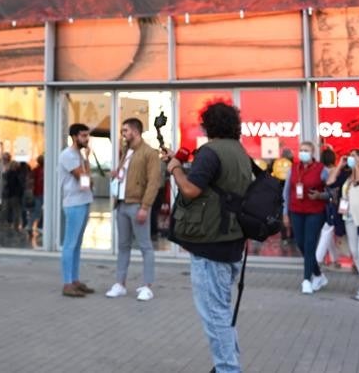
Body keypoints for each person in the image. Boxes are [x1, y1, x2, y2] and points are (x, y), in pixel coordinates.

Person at [164, 101, 253, 373]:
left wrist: (175, 169)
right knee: (222, 312)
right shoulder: (239, 151)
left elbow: (191, 190)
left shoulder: (211, 152)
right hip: (232, 240)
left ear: (209, 125)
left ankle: (228, 368)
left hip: (210, 245)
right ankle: (228, 364)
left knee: (214, 316)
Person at [105, 118, 162, 302]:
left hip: (137, 205)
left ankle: (147, 286)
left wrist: (145, 207)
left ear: (136, 131)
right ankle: (120, 284)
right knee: (122, 246)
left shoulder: (150, 153)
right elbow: (126, 175)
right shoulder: (126, 151)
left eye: (125, 130)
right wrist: (117, 173)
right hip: (121, 204)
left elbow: (154, 182)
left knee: (145, 246)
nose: (123, 133)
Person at [328, 150, 359, 301]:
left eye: (354, 155)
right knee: (355, 251)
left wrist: (358, 167)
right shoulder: (346, 175)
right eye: (349, 155)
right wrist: (339, 166)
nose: (351, 158)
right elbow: (330, 182)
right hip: (348, 217)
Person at [282, 140, 329, 294]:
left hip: (315, 211)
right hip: (296, 210)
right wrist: (285, 213)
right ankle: (318, 274)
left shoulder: (322, 169)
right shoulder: (294, 168)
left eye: (306, 150)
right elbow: (287, 191)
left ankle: (306, 280)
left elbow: (332, 191)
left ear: (313, 153)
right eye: (301, 150)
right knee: (301, 244)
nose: (303, 153)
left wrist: (320, 195)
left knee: (309, 244)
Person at [60, 123, 94, 297]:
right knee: (70, 244)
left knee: (77, 245)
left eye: (87, 136)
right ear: (74, 137)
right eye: (83, 136)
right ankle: (67, 283)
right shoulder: (68, 155)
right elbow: (85, 181)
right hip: (74, 203)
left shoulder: (78, 155)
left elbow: (87, 180)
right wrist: (87, 164)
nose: (86, 139)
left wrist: (86, 160)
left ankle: (74, 280)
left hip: (83, 201)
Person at [314, 148, 342, 269]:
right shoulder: (336, 171)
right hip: (334, 204)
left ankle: (334, 259)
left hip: (323, 204)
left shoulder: (320, 171)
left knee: (327, 230)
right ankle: (318, 259)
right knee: (328, 230)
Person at [28, 153, 44, 236]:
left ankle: (34, 226)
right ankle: (35, 226)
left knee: (37, 211)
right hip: (40, 192)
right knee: (38, 211)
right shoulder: (40, 170)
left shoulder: (36, 170)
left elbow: (31, 181)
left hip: (38, 192)